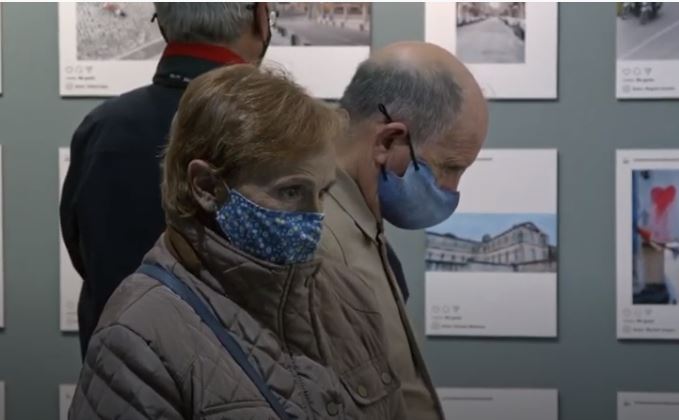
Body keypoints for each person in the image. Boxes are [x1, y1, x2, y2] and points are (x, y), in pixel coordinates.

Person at [69, 64, 408, 419]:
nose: (314, 216)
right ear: (206, 187)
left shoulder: (348, 295)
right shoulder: (138, 335)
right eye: (291, 191)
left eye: (322, 192)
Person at [60, 2, 273, 357]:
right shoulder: (287, 135)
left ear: (161, 25)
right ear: (261, 18)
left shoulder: (100, 129)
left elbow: (85, 255)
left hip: (120, 383)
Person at [319, 41, 489, 420]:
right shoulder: (315, 242)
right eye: (451, 167)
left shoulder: (355, 220)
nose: (451, 189)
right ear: (388, 141)